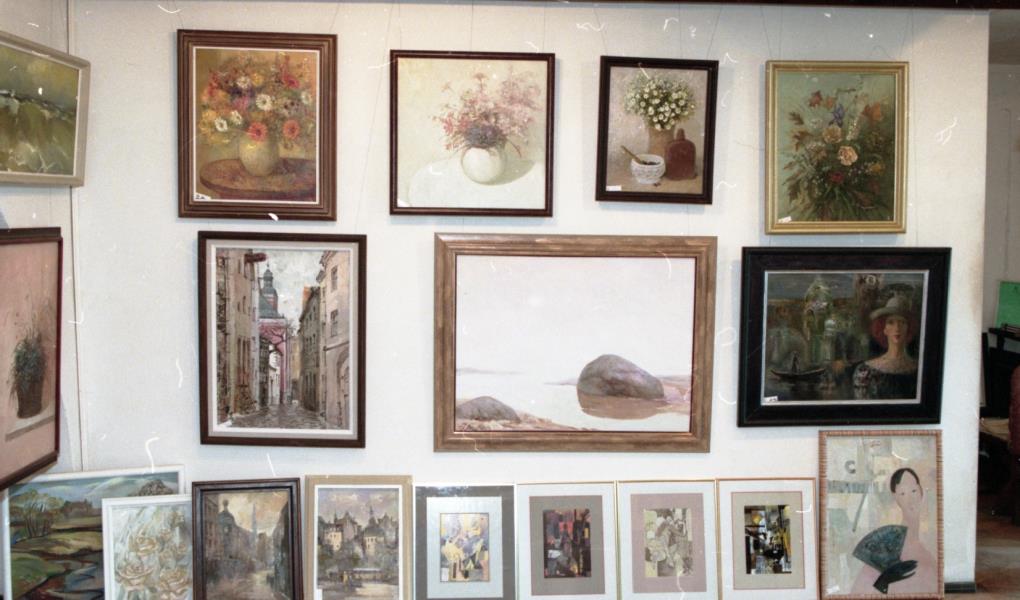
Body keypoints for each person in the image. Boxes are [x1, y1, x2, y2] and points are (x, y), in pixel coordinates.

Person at [850, 467, 937, 595]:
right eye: (902, 493)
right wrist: (884, 580)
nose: (910, 499)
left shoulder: (928, 542)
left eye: (914, 491)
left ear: (921, 492)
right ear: (896, 498)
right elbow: (858, 592)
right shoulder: (888, 543)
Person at [853, 295, 919, 399]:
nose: (897, 328)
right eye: (891, 322)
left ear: (908, 328)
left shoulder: (918, 370)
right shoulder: (865, 371)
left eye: (902, 322)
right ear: (884, 329)